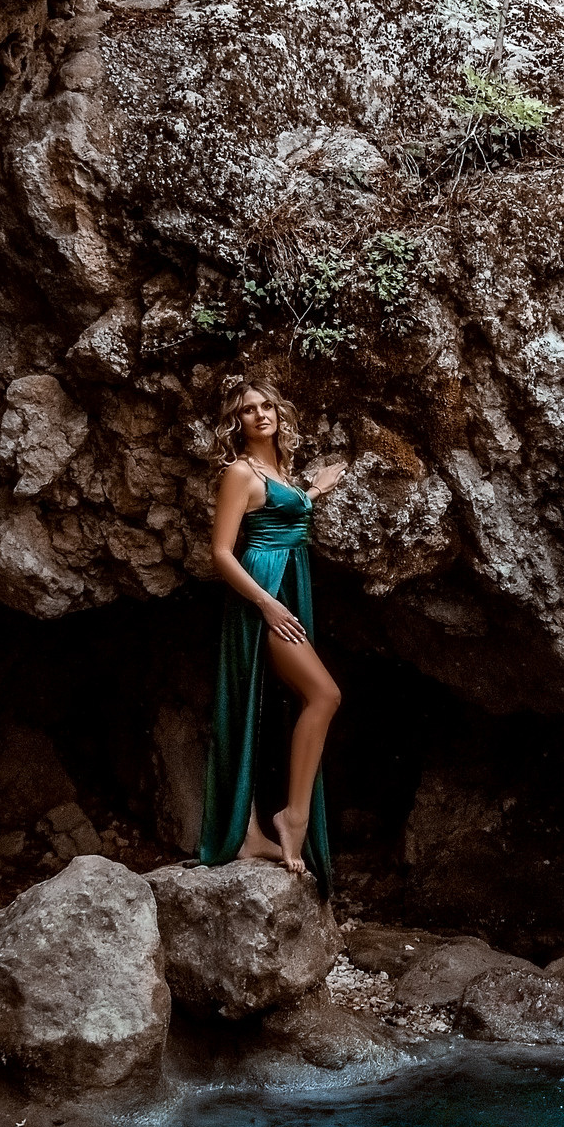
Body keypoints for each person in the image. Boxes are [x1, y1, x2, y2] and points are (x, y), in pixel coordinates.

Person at [200, 378, 346, 889]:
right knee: (324, 695)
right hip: (264, 596)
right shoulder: (239, 472)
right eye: (247, 410)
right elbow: (221, 553)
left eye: (266, 406)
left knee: (309, 700)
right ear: (235, 423)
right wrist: (267, 605)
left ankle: (249, 835)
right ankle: (294, 817)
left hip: (285, 584)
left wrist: (313, 491)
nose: (260, 415)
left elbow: (283, 513)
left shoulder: (274, 471)